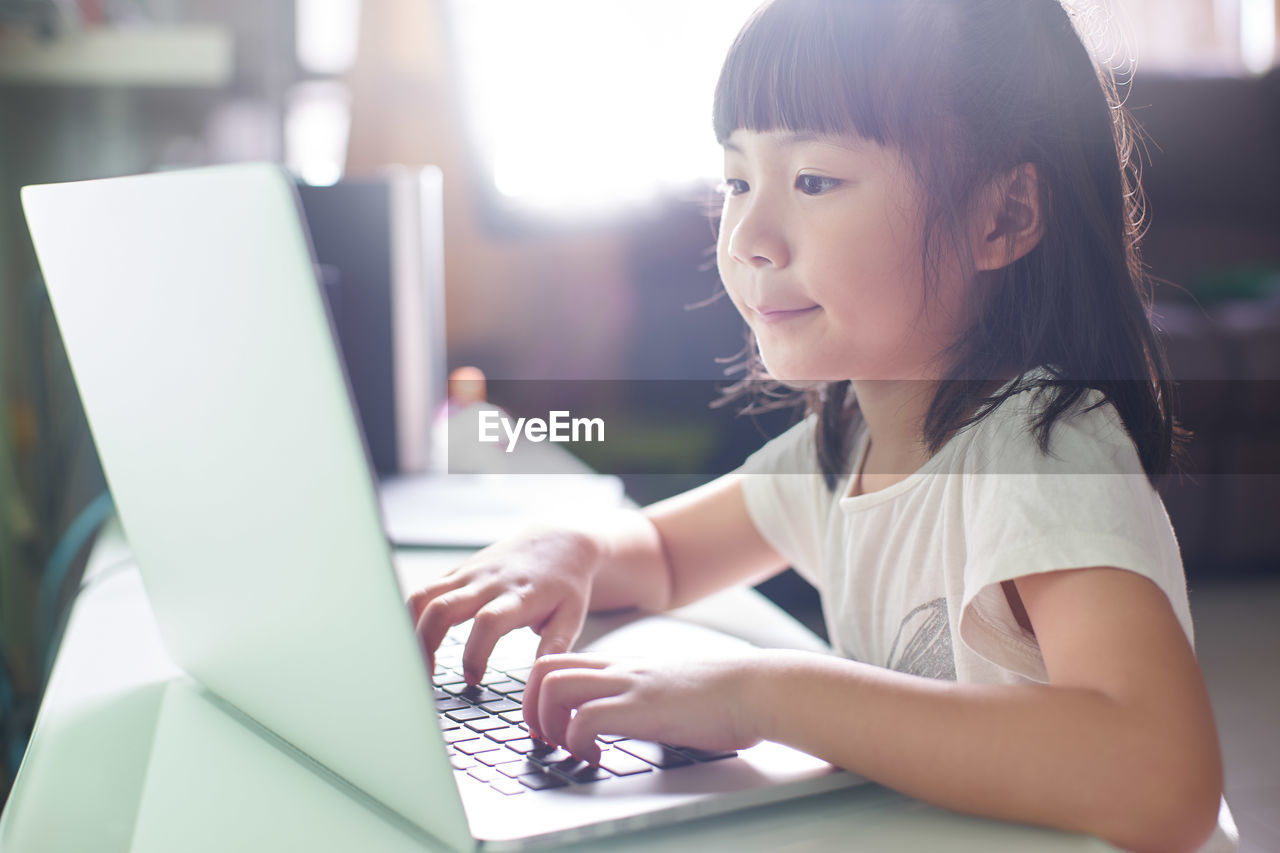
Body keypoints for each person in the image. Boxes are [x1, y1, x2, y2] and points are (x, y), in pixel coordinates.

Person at [410, 1, 1228, 850]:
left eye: (814, 181)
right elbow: (664, 554)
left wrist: (765, 695)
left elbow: (1162, 780)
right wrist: (568, 550)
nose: (750, 238)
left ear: (1004, 217)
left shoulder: (1038, 451)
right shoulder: (849, 443)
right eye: (737, 180)